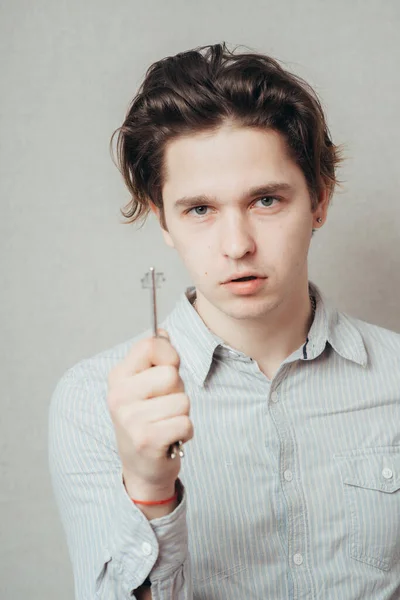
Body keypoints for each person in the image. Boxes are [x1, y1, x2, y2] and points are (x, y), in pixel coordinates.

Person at [48, 42, 400, 600]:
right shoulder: (93, 402)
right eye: (200, 210)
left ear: (320, 200)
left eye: (265, 200)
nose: (236, 246)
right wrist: (148, 490)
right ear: (163, 220)